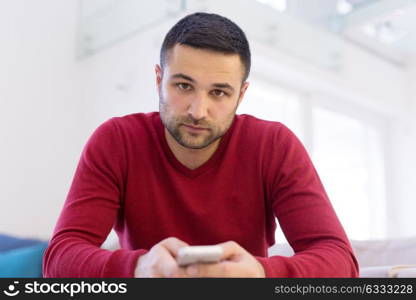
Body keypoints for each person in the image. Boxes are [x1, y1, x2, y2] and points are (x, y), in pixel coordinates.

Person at [43, 12, 359, 278]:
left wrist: (261, 275)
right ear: (158, 80)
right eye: (183, 85)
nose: (198, 110)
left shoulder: (274, 145)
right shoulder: (116, 140)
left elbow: (341, 261)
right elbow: (59, 258)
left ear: (241, 94)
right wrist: (138, 267)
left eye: (219, 92)